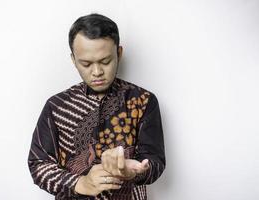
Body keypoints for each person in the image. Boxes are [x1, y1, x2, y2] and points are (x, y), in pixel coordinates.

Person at [28, 13, 165, 200]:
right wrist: (79, 183)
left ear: (119, 53)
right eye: (86, 64)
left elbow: (156, 162)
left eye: (105, 61)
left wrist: (134, 171)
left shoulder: (143, 100)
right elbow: (38, 164)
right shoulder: (56, 106)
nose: (97, 72)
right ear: (73, 60)